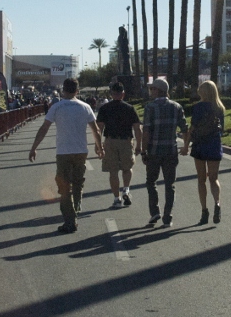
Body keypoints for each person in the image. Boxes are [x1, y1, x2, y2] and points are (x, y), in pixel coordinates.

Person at [28, 77, 102, 234]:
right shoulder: (85, 107)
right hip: (81, 151)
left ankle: (70, 221)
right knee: (78, 182)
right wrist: (99, 147)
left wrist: (34, 147)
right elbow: (95, 129)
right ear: (77, 90)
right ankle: (76, 208)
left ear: (63, 91)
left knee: (64, 187)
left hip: (63, 152)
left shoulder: (57, 107)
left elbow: (44, 128)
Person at [140, 78, 186, 227]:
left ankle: (155, 211)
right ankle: (167, 216)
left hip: (154, 151)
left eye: (152, 89)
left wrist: (143, 150)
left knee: (151, 182)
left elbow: (146, 131)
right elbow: (185, 128)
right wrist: (186, 146)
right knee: (169, 184)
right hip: (171, 150)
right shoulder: (177, 106)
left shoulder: (150, 107)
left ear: (158, 90)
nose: (150, 91)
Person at [95, 82, 143, 210]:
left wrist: (98, 145)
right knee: (127, 168)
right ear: (123, 94)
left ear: (111, 94)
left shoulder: (105, 108)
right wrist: (139, 145)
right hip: (126, 141)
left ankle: (116, 199)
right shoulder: (130, 108)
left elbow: (99, 129)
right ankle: (126, 189)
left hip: (110, 141)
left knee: (113, 171)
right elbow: (137, 129)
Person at [187, 79, 225, 225]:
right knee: (214, 178)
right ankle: (217, 203)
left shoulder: (198, 107)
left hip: (200, 145)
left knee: (201, 179)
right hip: (214, 144)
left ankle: (204, 210)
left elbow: (193, 128)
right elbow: (221, 129)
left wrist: (186, 145)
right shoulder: (220, 108)